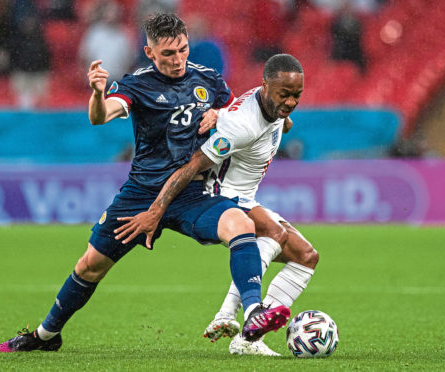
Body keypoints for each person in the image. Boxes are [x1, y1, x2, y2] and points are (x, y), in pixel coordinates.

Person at [0, 13, 289, 353]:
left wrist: (222, 114)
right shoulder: (136, 83)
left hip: (192, 194)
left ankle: (254, 311)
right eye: (168, 54)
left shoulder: (209, 80)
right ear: (150, 53)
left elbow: (245, 114)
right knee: (90, 265)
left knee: (241, 224)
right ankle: (46, 335)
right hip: (142, 194)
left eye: (182, 50)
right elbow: (101, 116)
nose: (178, 59)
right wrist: (96, 93)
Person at [115, 54, 319, 356]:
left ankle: (247, 341)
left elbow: (273, 118)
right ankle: (231, 317)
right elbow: (195, 164)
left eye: (296, 95)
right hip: (221, 194)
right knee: (274, 233)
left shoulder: (270, 105)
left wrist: (283, 118)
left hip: (246, 195)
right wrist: (158, 208)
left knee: (306, 256)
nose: (290, 101)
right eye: (284, 95)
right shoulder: (241, 125)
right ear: (265, 87)